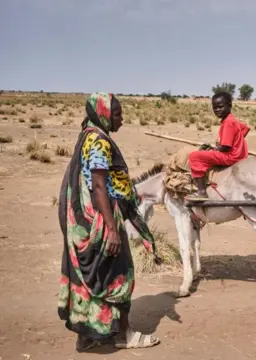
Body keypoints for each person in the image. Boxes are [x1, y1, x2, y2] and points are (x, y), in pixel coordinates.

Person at [58, 92, 161, 352]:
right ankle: (123, 334)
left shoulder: (87, 135)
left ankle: (86, 335)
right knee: (119, 274)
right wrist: (112, 229)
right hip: (101, 221)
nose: (122, 119)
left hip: (84, 221)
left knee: (90, 279)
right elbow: (100, 185)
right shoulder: (99, 141)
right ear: (103, 114)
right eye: (117, 114)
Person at [187, 91, 250, 200]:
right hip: (240, 154)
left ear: (229, 106)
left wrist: (214, 149)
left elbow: (225, 147)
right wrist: (237, 142)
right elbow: (245, 128)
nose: (217, 110)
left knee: (194, 157)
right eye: (215, 107)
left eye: (220, 107)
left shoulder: (228, 123)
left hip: (231, 157)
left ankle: (201, 191)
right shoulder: (232, 119)